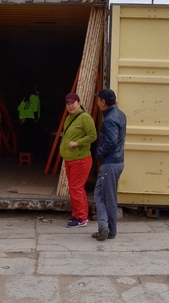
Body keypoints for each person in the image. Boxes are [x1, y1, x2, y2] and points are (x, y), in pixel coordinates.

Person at [91, 88, 126, 241]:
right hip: (116, 161)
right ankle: (104, 226)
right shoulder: (120, 114)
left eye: (98, 100)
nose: (97, 102)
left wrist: (99, 153)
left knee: (108, 197)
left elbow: (111, 142)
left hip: (110, 163)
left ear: (103, 102)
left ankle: (109, 230)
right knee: (99, 194)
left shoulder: (110, 119)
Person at [59, 92, 97, 228]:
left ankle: (81, 218)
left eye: (72, 103)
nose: (70, 106)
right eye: (68, 104)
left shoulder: (85, 118)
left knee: (76, 189)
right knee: (75, 189)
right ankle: (77, 215)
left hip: (80, 160)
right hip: (70, 159)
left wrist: (77, 143)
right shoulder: (70, 117)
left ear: (78, 103)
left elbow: (93, 135)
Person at [17, 86, 41, 156]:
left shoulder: (25, 98)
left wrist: (20, 118)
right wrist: (36, 119)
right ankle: (31, 154)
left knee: (24, 138)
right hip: (32, 120)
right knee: (31, 138)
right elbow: (35, 109)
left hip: (23, 121)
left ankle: (22, 154)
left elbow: (19, 108)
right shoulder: (36, 98)